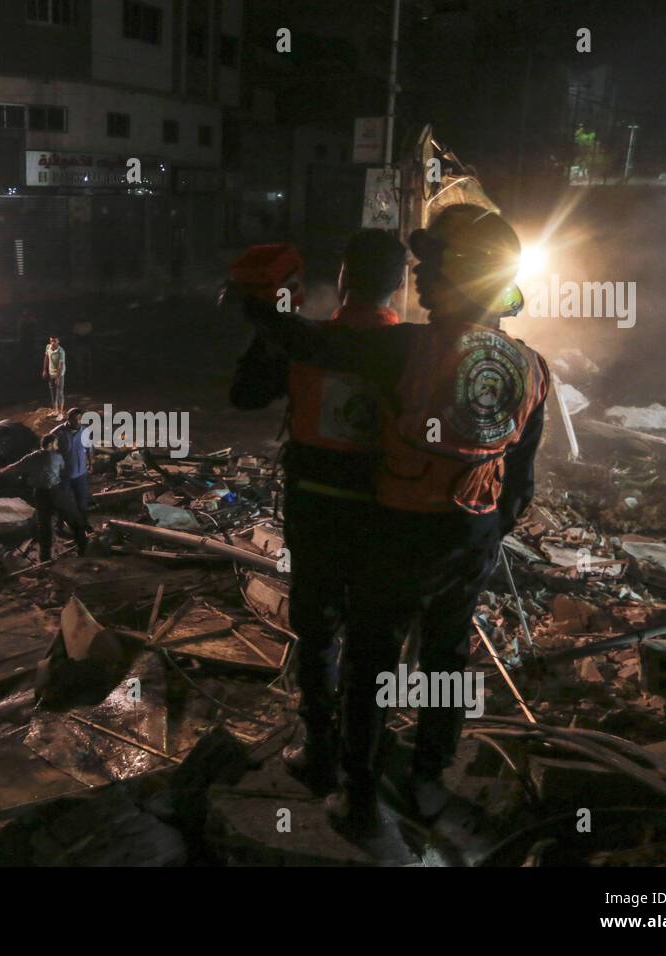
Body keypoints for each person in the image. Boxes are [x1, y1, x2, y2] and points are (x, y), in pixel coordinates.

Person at [236, 204, 548, 841]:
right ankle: (429, 779)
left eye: (432, 268)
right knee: (445, 657)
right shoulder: (532, 365)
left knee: (372, 663)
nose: (421, 280)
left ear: (462, 276)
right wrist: (482, 529)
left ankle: (356, 796)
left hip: (406, 533)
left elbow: (305, 342)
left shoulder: (411, 346)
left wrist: (260, 298)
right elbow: (522, 482)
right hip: (476, 533)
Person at [230, 229, 408, 796]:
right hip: (388, 514)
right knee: (375, 637)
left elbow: (245, 395)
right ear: (401, 285)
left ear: (342, 280)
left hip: (316, 510)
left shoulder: (306, 343)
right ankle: (369, 750)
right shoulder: (415, 350)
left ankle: (322, 748)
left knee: (317, 630)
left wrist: (271, 320)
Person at [0, 433, 87, 560]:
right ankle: (83, 547)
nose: (57, 446)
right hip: (56, 492)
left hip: (40, 494)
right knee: (72, 517)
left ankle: (45, 557)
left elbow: (14, 467)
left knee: (44, 525)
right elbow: (62, 469)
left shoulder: (31, 457)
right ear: (50, 444)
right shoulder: (57, 457)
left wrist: (0, 471)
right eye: (55, 443)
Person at [50, 406, 92, 532]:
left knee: (82, 501)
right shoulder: (57, 433)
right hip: (64, 475)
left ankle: (84, 523)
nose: (77, 422)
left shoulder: (85, 431)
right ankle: (60, 525)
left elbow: (89, 449)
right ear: (68, 419)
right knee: (63, 501)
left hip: (81, 473)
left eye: (79, 419)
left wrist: (91, 464)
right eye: (74, 419)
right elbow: (48, 449)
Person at [42, 336, 66, 416]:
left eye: (55, 341)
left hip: (59, 373)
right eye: (51, 341)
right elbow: (46, 358)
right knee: (53, 392)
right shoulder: (48, 347)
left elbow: (60, 365)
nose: (53, 343)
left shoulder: (61, 351)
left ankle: (61, 413)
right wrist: (45, 370)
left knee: (59, 393)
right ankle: (55, 411)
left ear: (58, 341)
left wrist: (58, 377)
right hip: (51, 373)